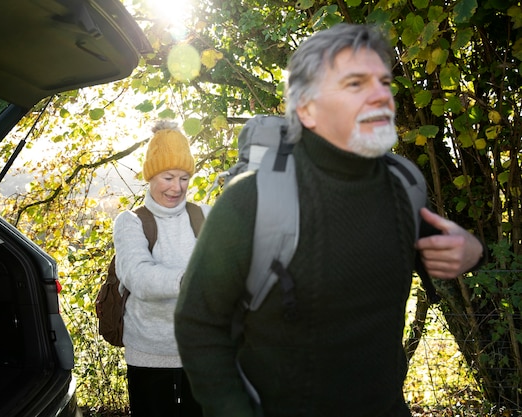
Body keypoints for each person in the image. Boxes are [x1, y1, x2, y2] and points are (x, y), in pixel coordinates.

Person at [174, 23, 485, 417]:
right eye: (355, 84)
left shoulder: (405, 187)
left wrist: (475, 250)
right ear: (306, 108)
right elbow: (198, 323)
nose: (380, 95)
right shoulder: (251, 201)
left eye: (384, 82)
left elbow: (445, 254)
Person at [112, 120, 208, 417]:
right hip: (149, 354)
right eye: (168, 177)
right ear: (151, 175)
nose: (177, 187)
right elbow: (138, 276)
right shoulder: (130, 221)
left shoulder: (205, 215)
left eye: (183, 178)